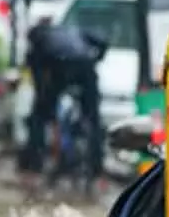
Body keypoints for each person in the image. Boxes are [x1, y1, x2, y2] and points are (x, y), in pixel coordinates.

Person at [17, 18, 107, 197]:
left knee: (38, 117)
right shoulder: (71, 30)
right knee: (93, 119)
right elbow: (103, 42)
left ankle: (34, 165)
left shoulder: (38, 41)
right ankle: (97, 168)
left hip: (60, 67)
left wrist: (44, 103)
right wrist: (95, 59)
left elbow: (38, 79)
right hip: (85, 65)